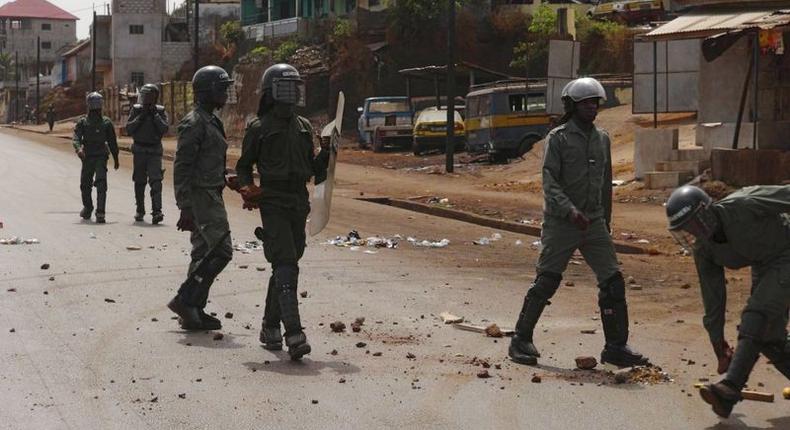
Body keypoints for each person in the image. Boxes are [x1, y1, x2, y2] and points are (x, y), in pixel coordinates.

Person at [508, 77, 649, 368]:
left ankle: (615, 347)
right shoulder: (557, 139)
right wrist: (570, 211)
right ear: (572, 106)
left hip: (594, 222)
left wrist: (605, 222)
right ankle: (520, 339)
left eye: (595, 103)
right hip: (562, 223)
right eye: (586, 103)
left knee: (612, 281)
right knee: (546, 281)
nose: (592, 108)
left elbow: (605, 186)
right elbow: (549, 181)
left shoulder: (603, 138)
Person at [666, 185, 790, 418]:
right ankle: (728, 392)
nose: (693, 232)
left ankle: (729, 389)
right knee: (767, 337)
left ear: (707, 210)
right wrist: (717, 341)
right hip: (765, 263)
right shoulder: (703, 249)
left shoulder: (744, 203)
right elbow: (713, 296)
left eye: (695, 222)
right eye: (686, 229)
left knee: (756, 316)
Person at [234, 63, 330, 360]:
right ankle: (294, 333)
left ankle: (269, 326)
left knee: (286, 263)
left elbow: (316, 171)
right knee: (286, 263)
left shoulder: (303, 127)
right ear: (271, 93)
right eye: (284, 88)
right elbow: (243, 167)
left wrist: (328, 150)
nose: (291, 94)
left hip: (298, 202)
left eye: (295, 87)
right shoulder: (259, 128)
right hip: (273, 200)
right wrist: (247, 187)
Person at [167, 65, 234, 331]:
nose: (226, 93)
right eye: (221, 88)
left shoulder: (210, 120)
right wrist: (185, 207)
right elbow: (182, 166)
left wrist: (225, 177)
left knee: (203, 252)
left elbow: (208, 159)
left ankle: (193, 311)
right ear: (207, 91)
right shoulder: (195, 123)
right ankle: (185, 299)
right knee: (221, 250)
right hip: (201, 197)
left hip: (210, 191)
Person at [72, 92, 119, 224]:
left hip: (101, 156)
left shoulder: (106, 123)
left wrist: (116, 157)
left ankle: (100, 212)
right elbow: (76, 137)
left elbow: (112, 142)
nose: (96, 109)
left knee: (101, 183)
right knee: (85, 184)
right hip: (87, 157)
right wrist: (78, 148)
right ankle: (88, 207)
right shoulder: (83, 122)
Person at [126, 83, 169, 224]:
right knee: (139, 182)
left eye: (149, 97)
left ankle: (157, 211)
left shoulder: (160, 111)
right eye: (144, 96)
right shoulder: (136, 110)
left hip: (154, 150)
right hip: (139, 150)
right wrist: (142, 116)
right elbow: (129, 129)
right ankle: (140, 210)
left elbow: (164, 129)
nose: (146, 99)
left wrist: (155, 115)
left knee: (156, 181)